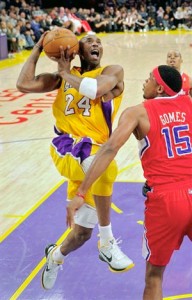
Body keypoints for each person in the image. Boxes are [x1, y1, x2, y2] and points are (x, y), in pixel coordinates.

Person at [16, 32, 134, 290]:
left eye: (98, 42)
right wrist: (38, 46)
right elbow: (23, 84)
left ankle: (55, 257)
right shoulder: (61, 80)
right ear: (76, 49)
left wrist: (65, 72)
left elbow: (95, 88)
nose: (96, 44)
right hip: (67, 146)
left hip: (92, 155)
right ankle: (107, 243)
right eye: (90, 41)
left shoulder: (113, 71)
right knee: (106, 162)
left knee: (81, 233)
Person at [67, 65, 192, 299]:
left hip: (166, 200)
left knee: (154, 277)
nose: (144, 83)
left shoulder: (138, 112)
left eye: (148, 79)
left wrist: (82, 192)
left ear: (158, 87)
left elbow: (109, 149)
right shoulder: (190, 104)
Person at [142, 49, 192, 197]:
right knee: (156, 150)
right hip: (163, 122)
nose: (172, 59)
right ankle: (154, 179)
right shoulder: (157, 81)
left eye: (175, 56)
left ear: (181, 60)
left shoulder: (187, 80)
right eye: (169, 56)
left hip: (180, 123)